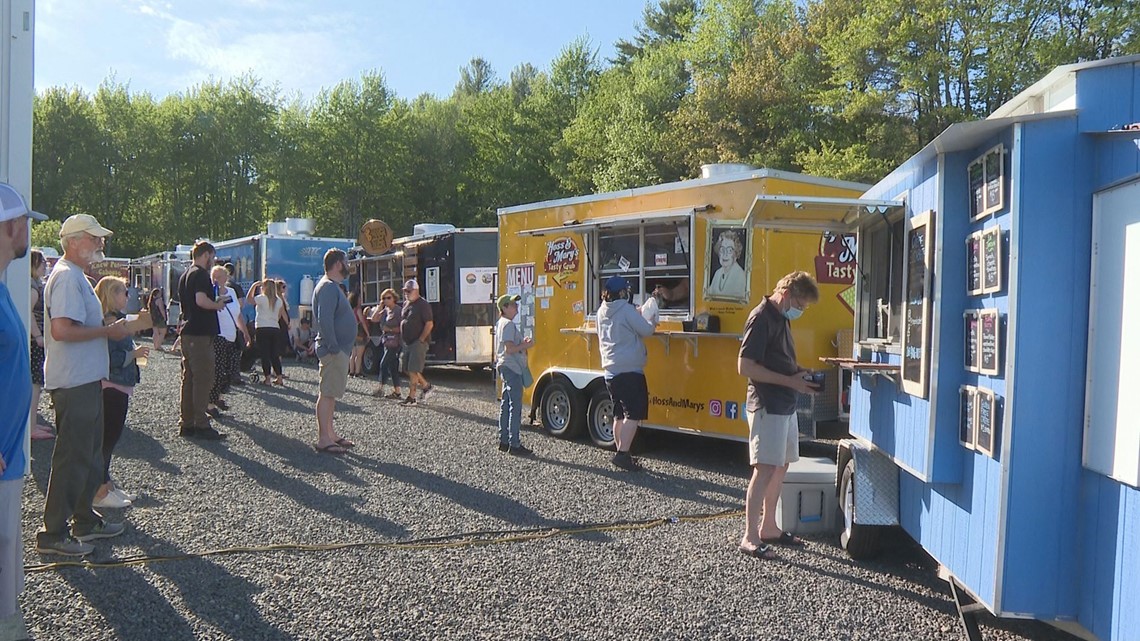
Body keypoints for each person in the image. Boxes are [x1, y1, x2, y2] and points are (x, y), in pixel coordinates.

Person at [38, 213, 132, 557]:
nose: (99, 246)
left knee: (89, 453)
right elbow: (62, 330)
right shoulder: (66, 278)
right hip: (74, 381)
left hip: (86, 379)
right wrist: (109, 332)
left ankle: (83, 520)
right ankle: (53, 533)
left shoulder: (74, 275)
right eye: (94, 239)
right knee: (72, 456)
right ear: (74, 241)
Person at [736, 271, 821, 560]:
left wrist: (798, 373)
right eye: (801, 303)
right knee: (764, 469)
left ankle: (769, 526)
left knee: (780, 466)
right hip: (767, 404)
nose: (802, 310)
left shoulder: (781, 317)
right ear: (786, 294)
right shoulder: (761, 317)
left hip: (784, 403)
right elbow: (745, 366)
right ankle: (749, 535)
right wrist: (791, 381)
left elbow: (775, 360)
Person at [0, 183, 46, 635]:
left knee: (8, 547)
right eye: (24, 225)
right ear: (10, 226)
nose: (26, 234)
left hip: (9, 460)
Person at [93, 276, 147, 509]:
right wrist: (134, 355)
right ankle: (100, 491)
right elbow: (112, 360)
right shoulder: (110, 322)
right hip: (112, 387)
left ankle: (106, 485)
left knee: (109, 439)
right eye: (123, 291)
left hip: (116, 386)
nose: (127, 296)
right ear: (111, 295)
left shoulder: (115, 320)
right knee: (107, 439)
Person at [597, 275, 657, 470]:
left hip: (610, 372)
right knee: (633, 413)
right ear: (622, 292)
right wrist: (653, 321)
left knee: (619, 415)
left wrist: (637, 312)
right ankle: (623, 455)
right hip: (630, 370)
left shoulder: (601, 311)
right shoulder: (626, 309)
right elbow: (646, 331)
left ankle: (621, 451)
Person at [177, 241, 229, 441]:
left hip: (188, 332)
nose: (213, 261)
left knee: (189, 379)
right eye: (212, 257)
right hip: (199, 335)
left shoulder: (185, 275)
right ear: (206, 255)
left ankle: (187, 422)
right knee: (203, 379)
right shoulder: (200, 275)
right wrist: (216, 305)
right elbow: (200, 300)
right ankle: (201, 423)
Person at [311, 249, 356, 454]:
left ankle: (331, 434)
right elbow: (325, 320)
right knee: (327, 393)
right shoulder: (328, 287)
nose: (348, 265)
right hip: (332, 351)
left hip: (336, 350)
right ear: (338, 264)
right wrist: (334, 347)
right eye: (346, 261)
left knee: (331, 394)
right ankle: (323, 439)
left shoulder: (332, 287)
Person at [494, 294, 534, 455]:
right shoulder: (509, 325)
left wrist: (521, 343)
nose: (516, 307)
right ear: (504, 308)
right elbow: (509, 349)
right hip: (512, 367)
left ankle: (503, 440)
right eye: (513, 304)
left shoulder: (501, 323)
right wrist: (526, 344)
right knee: (514, 405)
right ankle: (514, 443)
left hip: (504, 366)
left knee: (506, 403)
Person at [207, 265, 247, 417]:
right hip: (218, 336)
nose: (217, 280)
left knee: (230, 371)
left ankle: (217, 397)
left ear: (226, 278)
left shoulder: (231, 292)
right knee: (218, 371)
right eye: (214, 277)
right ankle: (210, 404)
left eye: (220, 276)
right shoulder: (211, 293)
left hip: (232, 335)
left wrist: (245, 332)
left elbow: (237, 314)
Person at [29, 249, 55, 440]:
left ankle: (33, 424)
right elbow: (28, 312)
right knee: (35, 384)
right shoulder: (32, 287)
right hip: (34, 341)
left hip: (36, 340)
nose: (45, 265)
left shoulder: (36, 285)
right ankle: (31, 427)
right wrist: (38, 336)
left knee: (37, 383)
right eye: (42, 262)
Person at [246, 278, 288, 386]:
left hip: (262, 327)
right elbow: (279, 316)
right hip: (274, 328)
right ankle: (279, 377)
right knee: (275, 354)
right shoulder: (278, 300)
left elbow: (249, 300)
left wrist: (254, 286)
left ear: (265, 288)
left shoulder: (262, 298)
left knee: (265, 354)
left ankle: (268, 379)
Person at [399, 279, 434, 405]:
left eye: (409, 291)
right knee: (406, 368)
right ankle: (426, 386)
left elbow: (429, 323)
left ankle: (411, 397)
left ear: (416, 290)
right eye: (405, 291)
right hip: (407, 342)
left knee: (413, 369)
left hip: (417, 342)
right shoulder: (406, 304)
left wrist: (421, 339)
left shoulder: (423, 304)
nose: (406, 293)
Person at [369, 288, 403, 399]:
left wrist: (389, 329)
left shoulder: (398, 311)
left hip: (395, 342)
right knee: (393, 367)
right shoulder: (385, 311)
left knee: (383, 364)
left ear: (394, 298)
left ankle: (381, 388)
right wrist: (380, 306)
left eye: (388, 298)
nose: (386, 300)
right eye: (384, 298)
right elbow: (373, 319)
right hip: (387, 341)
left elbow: (402, 327)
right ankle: (397, 391)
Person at [706, 230, 747, 298]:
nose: (725, 254)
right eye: (722, 249)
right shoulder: (718, 273)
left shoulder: (740, 275)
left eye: (730, 250)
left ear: (736, 253)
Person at [348, 290, 369, 376]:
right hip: (359, 332)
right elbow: (362, 322)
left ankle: (351, 371)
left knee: (353, 354)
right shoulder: (358, 310)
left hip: (351, 333)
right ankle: (357, 371)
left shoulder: (349, 310)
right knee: (359, 355)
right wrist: (367, 333)